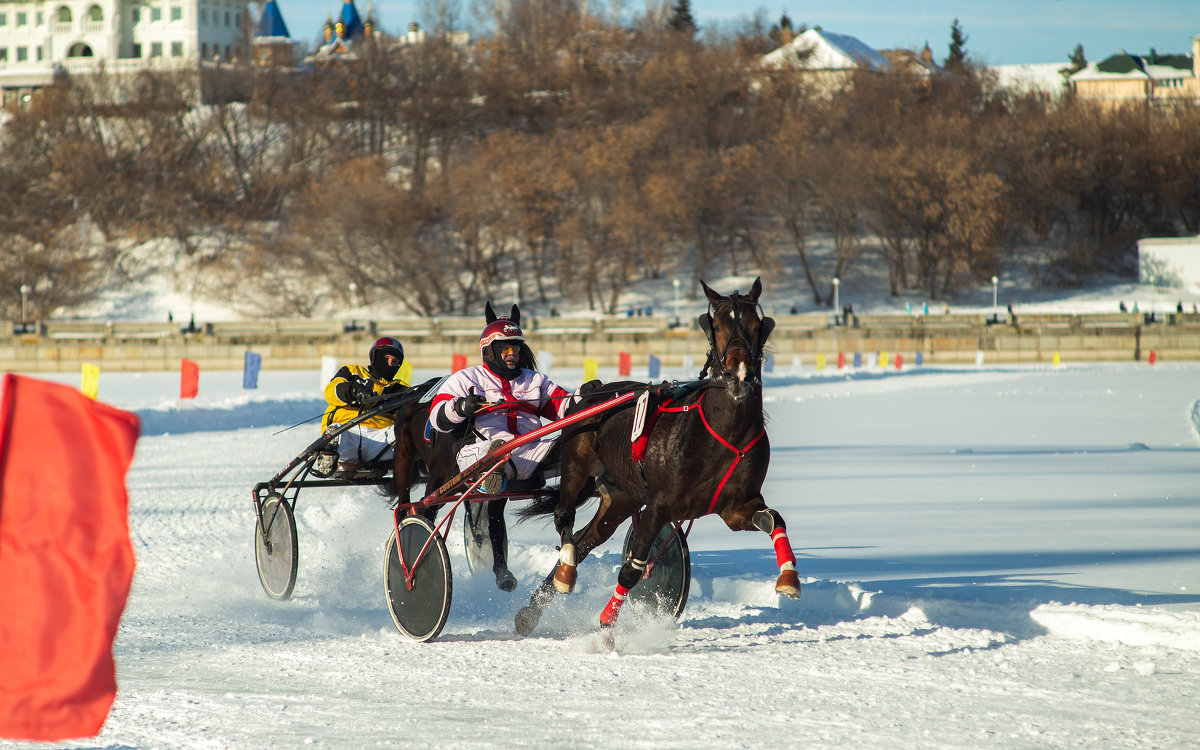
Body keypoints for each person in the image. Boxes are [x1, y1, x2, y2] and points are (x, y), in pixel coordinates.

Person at [428, 305, 574, 590]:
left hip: (530, 453)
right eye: (505, 349)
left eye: (516, 349)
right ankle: (491, 476)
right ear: (489, 351)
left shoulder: (534, 381)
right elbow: (437, 418)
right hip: (480, 453)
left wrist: (587, 400)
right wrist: (460, 407)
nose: (512, 354)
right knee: (497, 450)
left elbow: (563, 406)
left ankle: (499, 475)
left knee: (573, 446)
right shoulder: (465, 379)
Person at [322, 336, 408, 476]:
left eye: (395, 362)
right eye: (386, 358)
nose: (390, 364)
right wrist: (352, 391)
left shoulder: (402, 389)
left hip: (381, 440)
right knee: (337, 432)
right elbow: (331, 391)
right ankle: (333, 455)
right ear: (376, 356)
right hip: (349, 429)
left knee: (405, 433)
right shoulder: (353, 372)